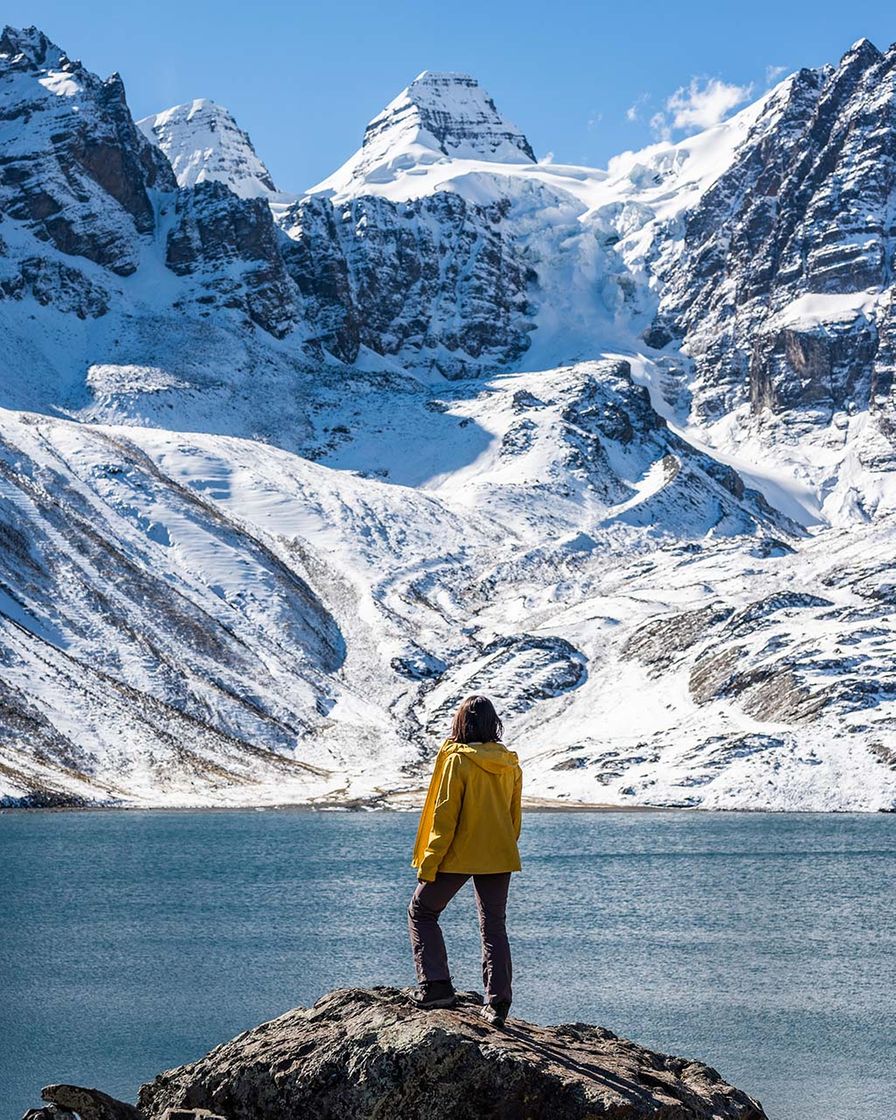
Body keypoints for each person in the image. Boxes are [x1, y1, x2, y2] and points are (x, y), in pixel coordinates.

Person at [407, 694, 523, 1027]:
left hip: (458, 854)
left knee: (422, 911)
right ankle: (497, 1003)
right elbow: (514, 818)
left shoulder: (458, 761)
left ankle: (436, 986)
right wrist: (501, 846)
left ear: (461, 723)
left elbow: (445, 819)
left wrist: (429, 865)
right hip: (500, 855)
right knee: (493, 926)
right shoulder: (510, 763)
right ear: (493, 724)